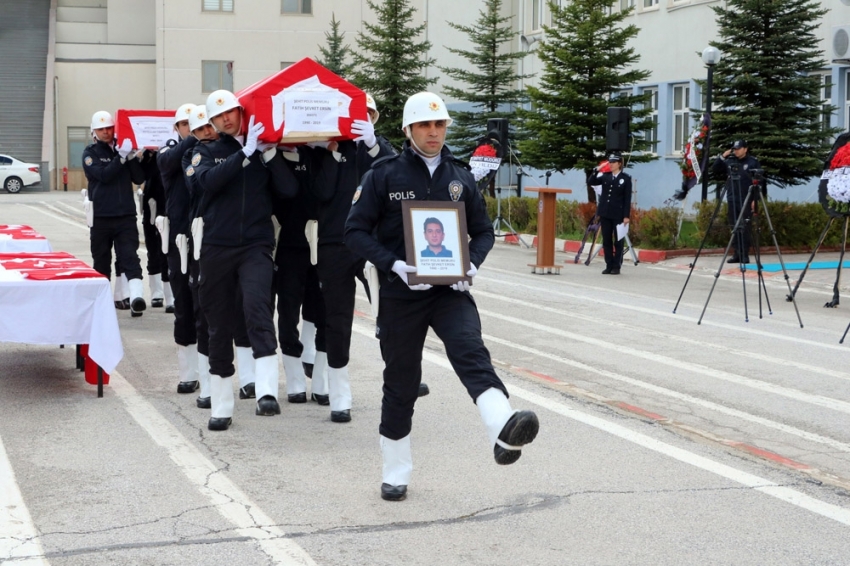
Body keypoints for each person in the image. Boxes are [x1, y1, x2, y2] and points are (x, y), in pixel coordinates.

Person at [344, 91, 539, 502]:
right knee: (401, 382)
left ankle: (503, 429)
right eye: (425, 125)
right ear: (409, 130)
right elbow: (354, 232)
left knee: (471, 351)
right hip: (402, 293)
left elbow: (482, 231)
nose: (433, 132)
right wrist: (394, 265)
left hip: (450, 291)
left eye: (440, 124)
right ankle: (395, 470)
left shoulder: (460, 177)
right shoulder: (383, 174)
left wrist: (472, 265)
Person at [191, 89, 298, 431]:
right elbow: (208, 182)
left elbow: (290, 191)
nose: (227, 119)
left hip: (256, 244)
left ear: (241, 112)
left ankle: (267, 391)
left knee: (257, 306)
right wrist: (244, 154)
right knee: (219, 323)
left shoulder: (262, 148)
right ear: (212, 122)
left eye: (231, 112)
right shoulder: (204, 152)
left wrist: (267, 155)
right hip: (217, 247)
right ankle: (221, 403)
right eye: (219, 115)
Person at [311, 92, 396, 423]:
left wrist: (372, 143)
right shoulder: (327, 149)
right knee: (337, 317)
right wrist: (331, 155)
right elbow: (320, 193)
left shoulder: (378, 148)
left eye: (369, 115)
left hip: (372, 243)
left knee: (391, 308)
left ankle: (400, 374)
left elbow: (394, 171)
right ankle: (340, 394)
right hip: (334, 242)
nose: (364, 121)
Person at [82, 110, 147, 316]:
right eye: (101, 129)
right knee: (101, 260)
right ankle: (100, 302)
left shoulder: (123, 149)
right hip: (101, 217)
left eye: (109, 128)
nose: (106, 132)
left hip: (125, 215)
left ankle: (136, 296)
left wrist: (131, 156)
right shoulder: (90, 153)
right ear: (94, 132)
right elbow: (103, 175)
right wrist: (120, 157)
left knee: (129, 256)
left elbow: (139, 178)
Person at [158, 103, 203, 397]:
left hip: (204, 234)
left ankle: (210, 371)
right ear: (177, 128)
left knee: (206, 302)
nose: (191, 129)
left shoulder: (208, 153)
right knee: (183, 304)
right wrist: (193, 139)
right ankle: (188, 372)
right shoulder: (169, 152)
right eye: (185, 124)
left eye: (195, 124)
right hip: (178, 239)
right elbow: (169, 163)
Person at [711, 139, 762, 264]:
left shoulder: (752, 162)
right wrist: (723, 156)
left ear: (745, 149)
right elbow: (715, 168)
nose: (736, 151)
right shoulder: (730, 161)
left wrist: (755, 200)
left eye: (738, 149)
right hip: (732, 198)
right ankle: (736, 254)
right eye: (734, 149)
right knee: (734, 227)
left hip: (746, 199)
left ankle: (744, 255)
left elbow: (759, 182)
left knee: (745, 227)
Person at [595, 153, 631, 275]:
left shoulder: (625, 179)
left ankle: (617, 266)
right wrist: (597, 170)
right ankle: (608, 265)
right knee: (606, 240)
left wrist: (626, 216)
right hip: (605, 213)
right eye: (609, 162)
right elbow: (591, 181)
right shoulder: (606, 176)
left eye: (613, 162)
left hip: (618, 215)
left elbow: (627, 199)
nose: (610, 164)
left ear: (619, 164)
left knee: (618, 241)